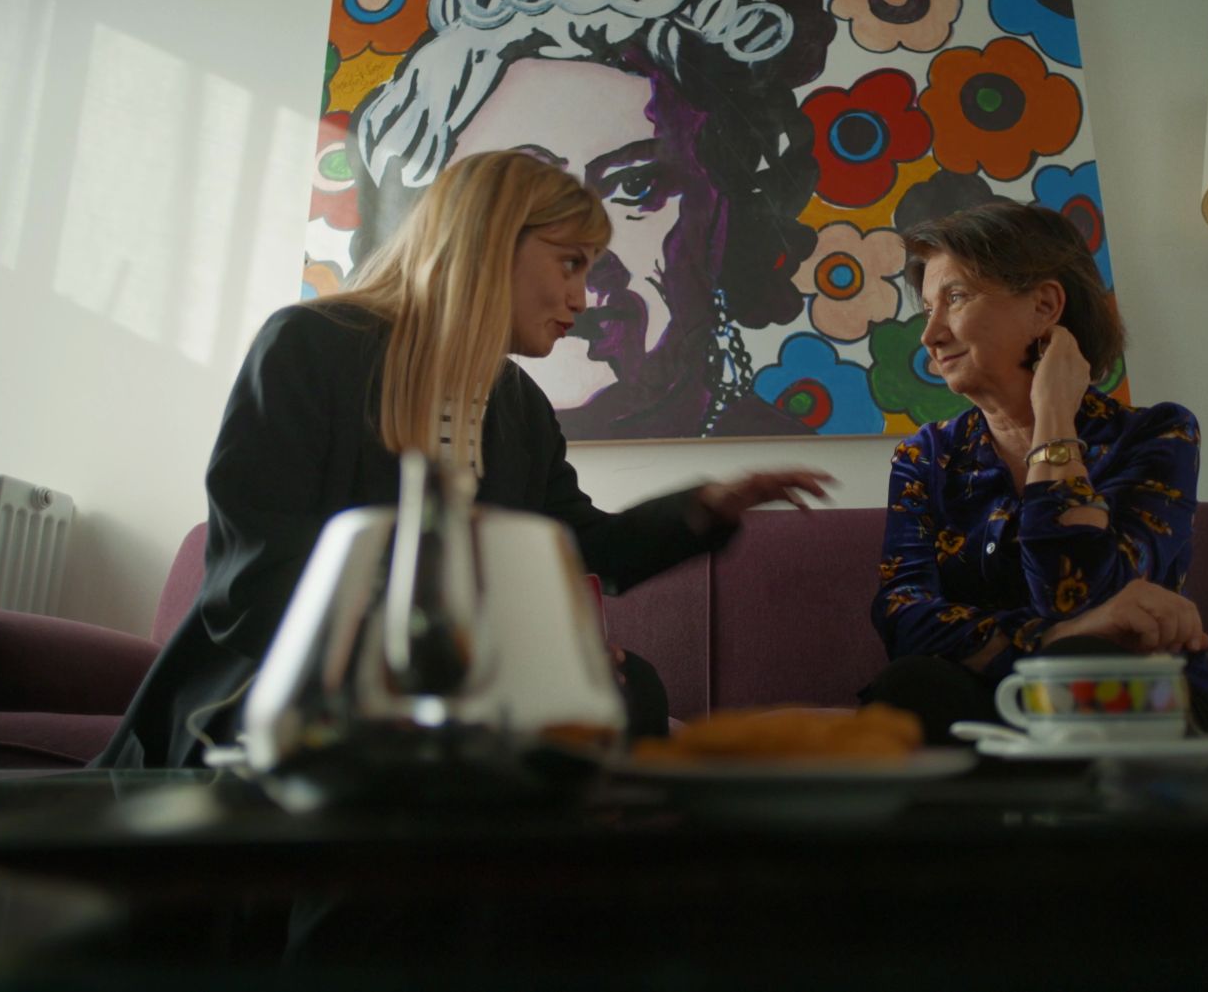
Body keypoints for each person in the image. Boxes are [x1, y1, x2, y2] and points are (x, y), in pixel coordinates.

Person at [97, 151, 830, 768]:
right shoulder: (308, 348)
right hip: (281, 683)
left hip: (451, 683)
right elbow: (254, 583)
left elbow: (578, 543)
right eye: (570, 263)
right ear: (491, 241)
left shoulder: (519, 406)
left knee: (626, 688)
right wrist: (472, 659)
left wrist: (704, 509)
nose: (581, 297)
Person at [347, 0, 834, 439]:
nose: (582, 258)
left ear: (724, 215)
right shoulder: (355, 418)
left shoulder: (782, 453)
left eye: (637, 187)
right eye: (520, 194)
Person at [862, 202, 1208, 743]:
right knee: (910, 686)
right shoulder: (925, 458)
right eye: (927, 310)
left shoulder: (1157, 435)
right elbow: (903, 616)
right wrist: (1058, 636)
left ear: (1044, 306)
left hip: (1135, 697)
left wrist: (1054, 419)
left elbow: (1079, 595)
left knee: (1088, 665)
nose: (930, 335)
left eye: (956, 297)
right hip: (997, 702)